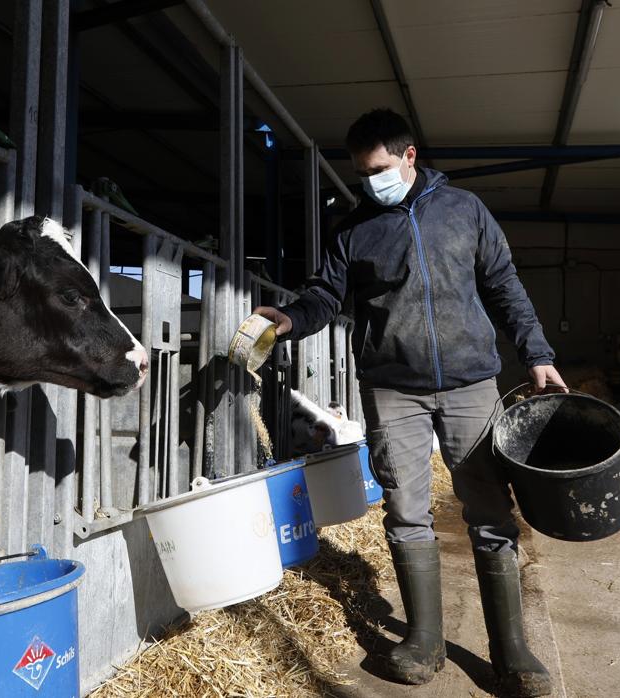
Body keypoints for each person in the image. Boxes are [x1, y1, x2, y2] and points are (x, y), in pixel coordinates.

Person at [255, 108, 563, 698]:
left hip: (471, 382)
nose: (371, 182)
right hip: (393, 387)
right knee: (404, 511)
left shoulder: (464, 210)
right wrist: (292, 318)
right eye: (362, 174)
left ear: (409, 156)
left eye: (379, 169)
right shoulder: (353, 228)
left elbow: (504, 285)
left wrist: (538, 353)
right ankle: (423, 641)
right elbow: (325, 294)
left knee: (491, 511)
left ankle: (512, 649)